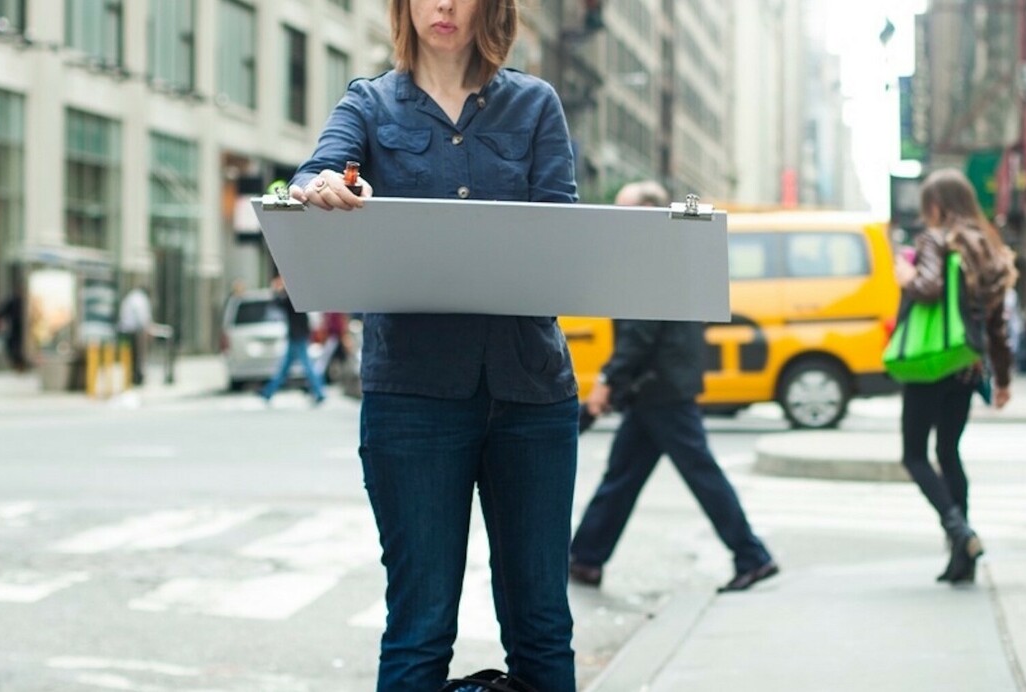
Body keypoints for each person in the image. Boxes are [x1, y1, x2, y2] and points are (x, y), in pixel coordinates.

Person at [287, 0, 580, 688]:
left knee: (542, 627)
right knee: (419, 628)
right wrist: (319, 185)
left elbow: (561, 242)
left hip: (531, 394)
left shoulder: (535, 105)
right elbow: (311, 173)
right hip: (412, 399)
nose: (443, 4)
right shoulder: (369, 104)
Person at [568, 181, 779, 595]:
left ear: (647, 213)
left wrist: (608, 381)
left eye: (624, 210)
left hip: (660, 388)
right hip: (658, 387)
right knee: (622, 477)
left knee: (699, 473)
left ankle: (752, 555)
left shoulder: (649, 256)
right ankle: (586, 558)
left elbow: (640, 332)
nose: (616, 218)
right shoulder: (664, 251)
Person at [893, 168, 1015, 583]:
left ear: (939, 206)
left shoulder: (936, 240)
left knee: (914, 454)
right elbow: (996, 324)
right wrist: (1002, 380)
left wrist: (907, 277)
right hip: (967, 365)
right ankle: (961, 561)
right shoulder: (988, 248)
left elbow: (927, 287)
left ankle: (960, 532)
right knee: (948, 452)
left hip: (931, 363)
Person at [260, 274, 327, 405]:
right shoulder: (295, 294)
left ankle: (319, 392)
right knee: (287, 367)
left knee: (306, 366)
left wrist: (276, 290)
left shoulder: (292, 295)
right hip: (297, 335)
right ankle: (268, 391)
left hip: (298, 335)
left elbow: (278, 303)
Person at [117, 284, 153, 387]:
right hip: (133, 331)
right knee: (137, 355)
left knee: (128, 355)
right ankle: (136, 377)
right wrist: (147, 330)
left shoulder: (131, 296)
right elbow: (142, 318)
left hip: (124, 330)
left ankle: (130, 376)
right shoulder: (141, 299)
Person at [0, 286, 29, 373]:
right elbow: (2, 311)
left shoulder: (26, 301)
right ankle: (18, 364)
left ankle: (21, 363)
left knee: (16, 346)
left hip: (23, 330)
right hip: (16, 328)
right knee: (13, 345)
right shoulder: (14, 301)